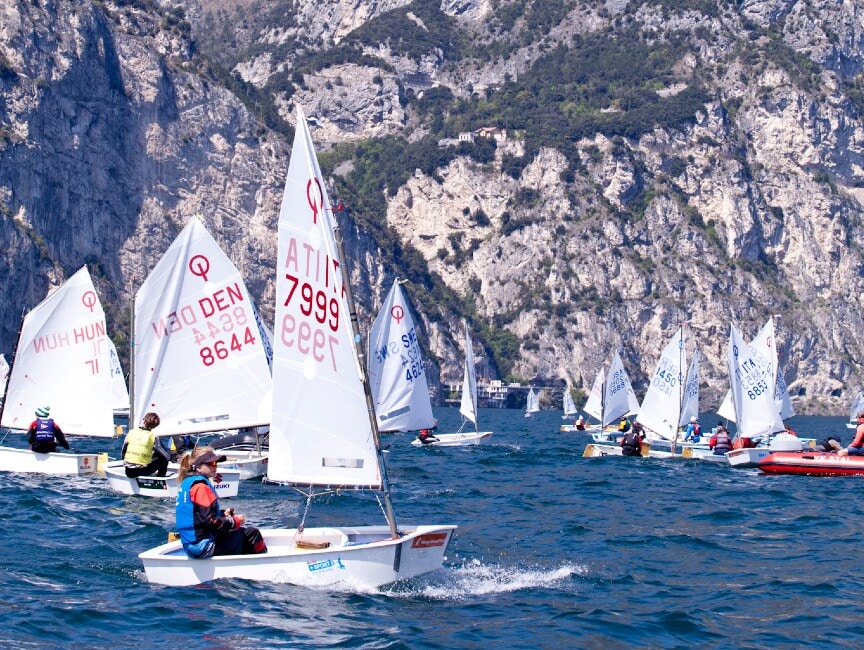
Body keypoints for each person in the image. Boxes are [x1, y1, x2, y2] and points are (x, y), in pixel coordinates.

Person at [176, 446, 267, 558]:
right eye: (210, 463)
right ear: (198, 467)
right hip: (203, 547)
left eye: (215, 463)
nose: (215, 466)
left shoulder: (188, 483)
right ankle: (262, 564)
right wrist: (235, 521)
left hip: (192, 546)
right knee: (252, 533)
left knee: (241, 533)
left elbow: (199, 515)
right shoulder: (201, 487)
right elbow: (211, 522)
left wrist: (223, 514)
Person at [122, 412, 170, 478]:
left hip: (128, 471)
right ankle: (160, 479)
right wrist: (169, 457)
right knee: (163, 460)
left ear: (144, 421)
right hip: (142, 471)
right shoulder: (153, 436)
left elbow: (123, 451)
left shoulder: (131, 432)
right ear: (155, 426)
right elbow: (165, 455)